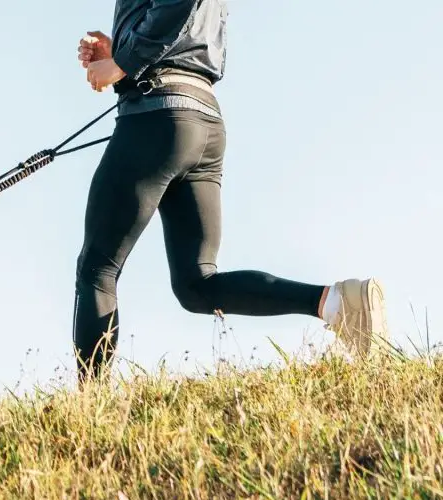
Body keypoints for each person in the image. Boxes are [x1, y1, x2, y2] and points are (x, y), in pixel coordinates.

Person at [71, 0, 388, 384]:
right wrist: (118, 57)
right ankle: (337, 303)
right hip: (201, 120)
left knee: (97, 268)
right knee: (196, 285)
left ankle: (91, 405)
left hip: (156, 118)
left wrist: (123, 62)